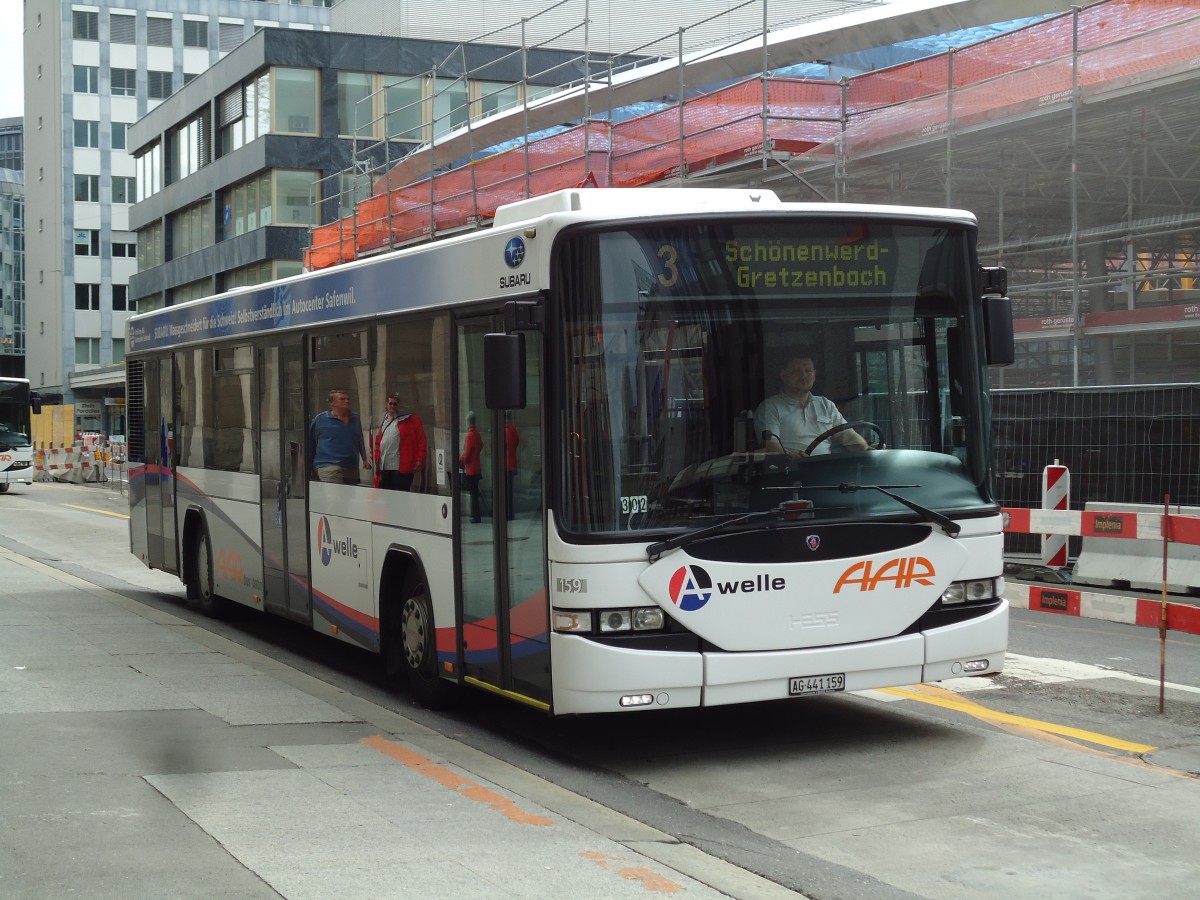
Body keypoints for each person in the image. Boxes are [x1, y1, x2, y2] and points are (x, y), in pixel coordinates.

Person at [754, 355, 869, 458]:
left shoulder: (825, 404)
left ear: (814, 374)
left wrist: (868, 450)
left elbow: (848, 436)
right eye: (796, 371)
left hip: (825, 471)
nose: (803, 375)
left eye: (808, 371)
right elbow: (770, 445)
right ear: (783, 375)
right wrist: (793, 456)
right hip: (789, 473)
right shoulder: (770, 407)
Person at [309, 389, 372, 484]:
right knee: (335, 496)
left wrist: (364, 460)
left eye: (348, 399)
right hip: (328, 465)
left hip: (351, 465)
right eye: (342, 399)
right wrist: (310, 466)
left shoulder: (355, 419)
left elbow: (359, 440)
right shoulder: (320, 419)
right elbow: (311, 443)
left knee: (348, 497)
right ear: (332, 402)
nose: (346, 401)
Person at [373, 393, 427, 491]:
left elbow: (421, 440)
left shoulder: (411, 419)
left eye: (395, 404)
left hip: (402, 467)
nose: (392, 406)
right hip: (384, 466)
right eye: (390, 403)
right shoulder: (382, 420)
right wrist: (376, 459)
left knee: (401, 495)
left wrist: (419, 459)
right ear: (387, 404)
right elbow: (378, 442)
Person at [459, 410, 483, 522]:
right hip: (477, 467)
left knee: (473, 494)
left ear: (467, 422)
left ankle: (475, 516)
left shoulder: (469, 436)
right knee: (475, 493)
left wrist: (460, 459)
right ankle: (477, 515)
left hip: (471, 469)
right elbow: (481, 446)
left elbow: (467, 455)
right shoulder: (477, 434)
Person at [503, 412, 520, 520]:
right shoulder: (514, 430)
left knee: (506, 491)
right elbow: (517, 443)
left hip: (506, 465)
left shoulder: (505, 431)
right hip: (513, 463)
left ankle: (508, 513)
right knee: (510, 491)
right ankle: (511, 512)